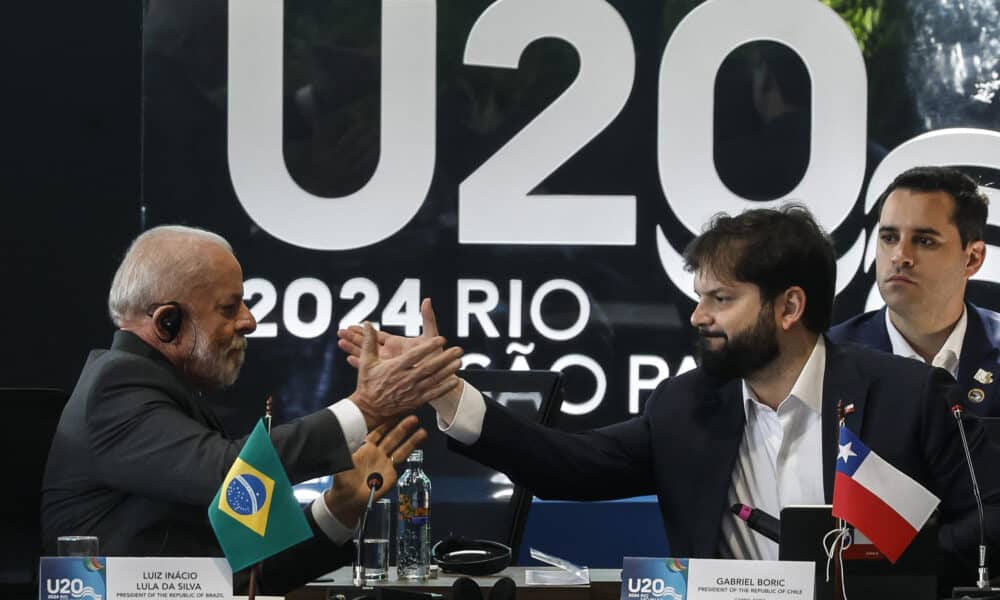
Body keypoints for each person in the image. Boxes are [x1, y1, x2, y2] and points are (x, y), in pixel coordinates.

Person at [340, 205, 1000, 587]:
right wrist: (450, 390)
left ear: (790, 305)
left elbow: (990, 523)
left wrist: (881, 573)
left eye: (721, 299)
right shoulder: (687, 407)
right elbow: (566, 464)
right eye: (698, 298)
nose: (698, 317)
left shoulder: (907, 395)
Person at [41, 225, 463, 594]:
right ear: (167, 321)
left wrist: (338, 507)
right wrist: (363, 407)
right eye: (229, 307)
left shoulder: (173, 400)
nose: (249, 320)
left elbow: (248, 574)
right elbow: (226, 474)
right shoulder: (116, 386)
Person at [829, 166, 1000, 415]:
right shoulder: (827, 360)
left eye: (924, 241)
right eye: (889, 238)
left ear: (973, 258)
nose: (900, 256)